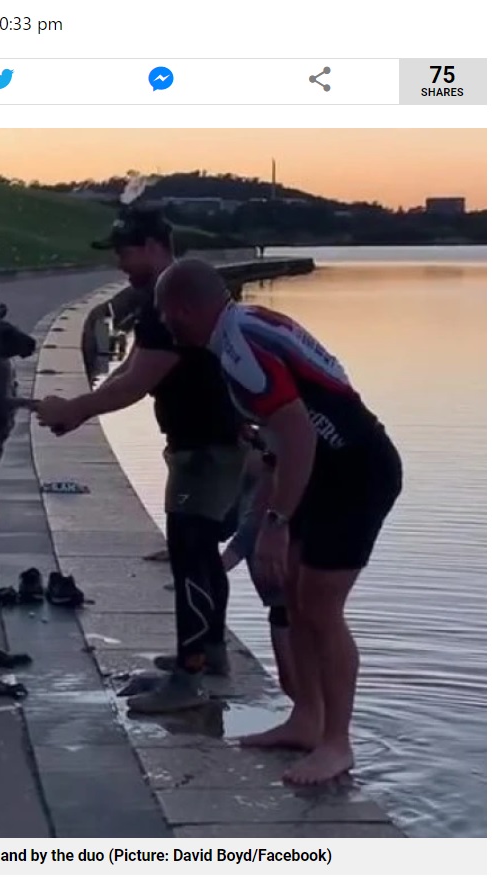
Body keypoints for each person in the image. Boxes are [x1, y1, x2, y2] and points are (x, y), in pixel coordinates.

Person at [154, 257, 403, 785]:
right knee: (292, 590)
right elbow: (278, 442)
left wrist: (276, 521)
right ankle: (307, 719)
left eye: (165, 315)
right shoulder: (244, 329)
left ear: (183, 310)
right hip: (318, 469)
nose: (165, 325)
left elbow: (301, 433)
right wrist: (265, 515)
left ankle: (337, 743)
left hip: (357, 471)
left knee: (320, 604)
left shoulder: (240, 345)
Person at [35, 209, 245, 713]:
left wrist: (76, 409)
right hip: (204, 445)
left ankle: (188, 680)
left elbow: (137, 380)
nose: (119, 262)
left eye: (125, 251)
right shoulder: (168, 296)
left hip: (208, 449)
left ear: (154, 245)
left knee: (191, 554)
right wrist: (79, 409)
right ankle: (207, 654)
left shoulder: (170, 299)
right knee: (196, 552)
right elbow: (133, 365)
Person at [221, 428, 296, 702]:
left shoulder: (270, 463)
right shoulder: (250, 468)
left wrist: (222, 563)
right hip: (277, 597)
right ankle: (310, 725)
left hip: (287, 587)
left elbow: (253, 524)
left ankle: (316, 729)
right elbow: (232, 517)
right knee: (292, 678)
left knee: (298, 677)